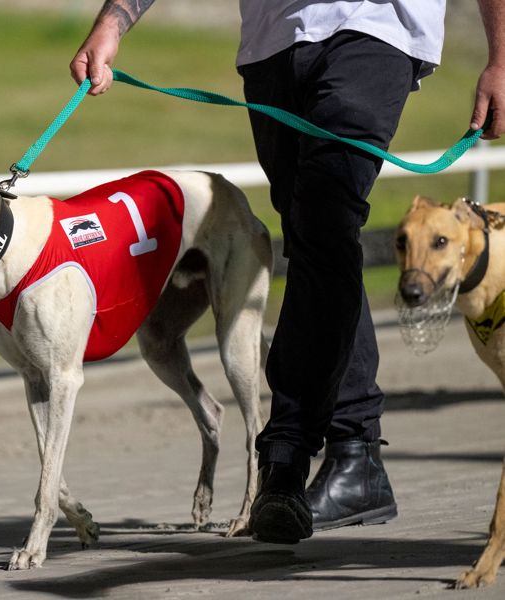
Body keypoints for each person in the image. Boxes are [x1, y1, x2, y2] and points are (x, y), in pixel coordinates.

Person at [71, 0, 505, 544]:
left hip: (374, 29)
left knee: (324, 218)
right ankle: (356, 455)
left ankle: (285, 458)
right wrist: (112, 23)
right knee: (314, 239)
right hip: (272, 41)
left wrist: (501, 58)